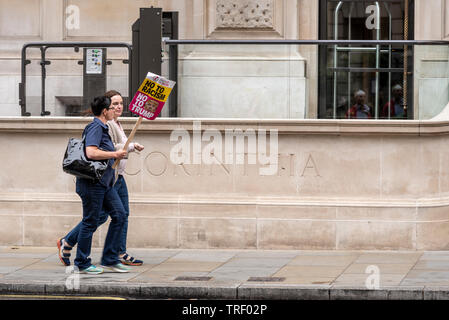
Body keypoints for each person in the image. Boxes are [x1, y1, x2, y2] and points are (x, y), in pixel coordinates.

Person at [58, 91, 145, 268]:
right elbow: (91, 152)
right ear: (105, 110)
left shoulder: (105, 126)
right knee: (91, 221)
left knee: (119, 215)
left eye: (119, 104)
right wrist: (115, 153)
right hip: (94, 183)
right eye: (112, 106)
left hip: (106, 183)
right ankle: (81, 261)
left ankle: (110, 259)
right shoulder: (96, 127)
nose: (116, 108)